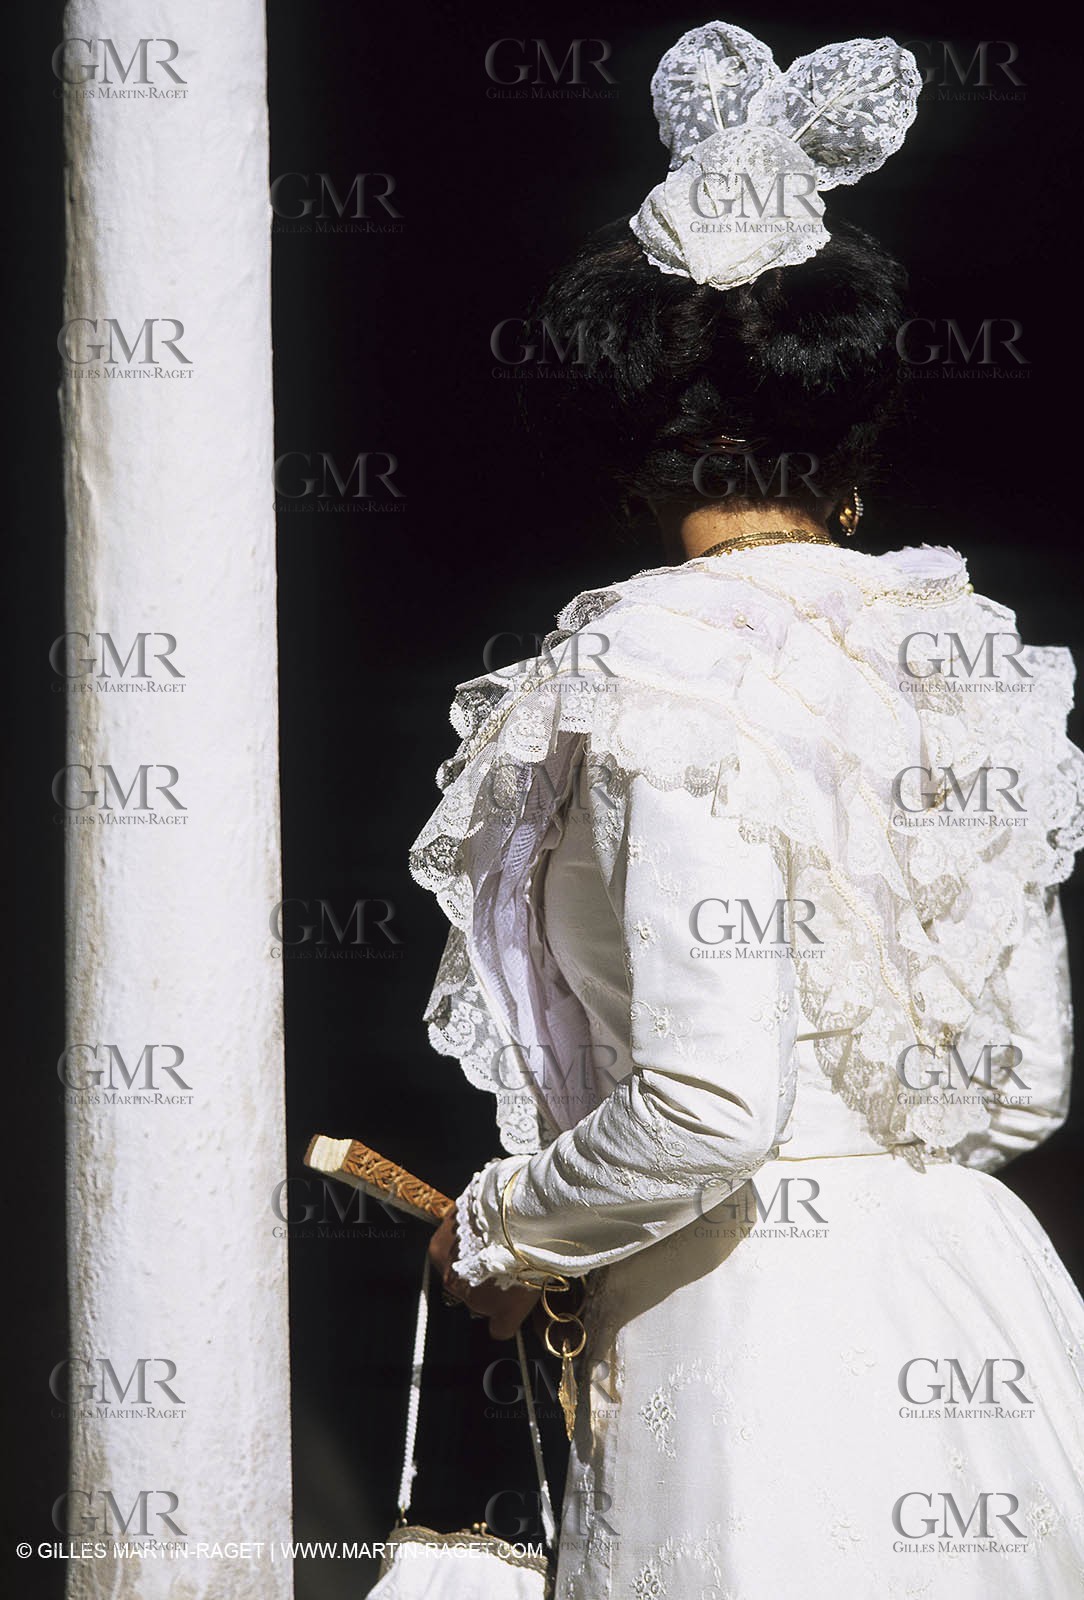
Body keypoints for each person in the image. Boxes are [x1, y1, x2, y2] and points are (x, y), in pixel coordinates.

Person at [414, 23, 1084, 1597]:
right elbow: (1025, 1083)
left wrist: (504, 1228)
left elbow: (714, 1106)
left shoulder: (650, 673)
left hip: (763, 1350)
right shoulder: (958, 661)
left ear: (626, 443)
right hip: (979, 1319)